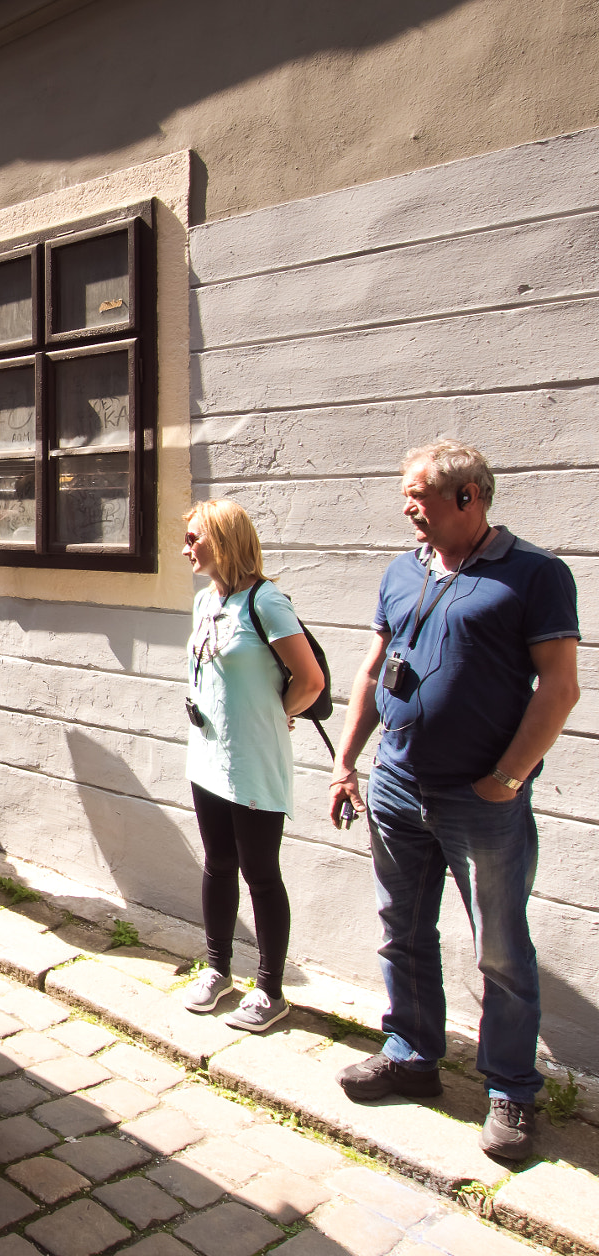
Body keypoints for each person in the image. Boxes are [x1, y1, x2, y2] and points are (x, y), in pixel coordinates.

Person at [329, 440, 581, 1161]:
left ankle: (511, 1089)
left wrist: (507, 777)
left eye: (420, 496)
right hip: (398, 785)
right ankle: (412, 1055)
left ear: (469, 496)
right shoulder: (402, 571)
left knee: (500, 947)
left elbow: (559, 689)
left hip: (482, 800)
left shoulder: (535, 575)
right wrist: (348, 761)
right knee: (401, 928)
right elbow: (375, 669)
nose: (408, 508)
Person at [174, 500, 324, 1033]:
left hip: (254, 761)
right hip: (209, 756)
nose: (186, 548)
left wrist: (275, 715)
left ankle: (270, 989)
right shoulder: (205, 602)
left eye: (195, 538)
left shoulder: (267, 602)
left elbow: (310, 681)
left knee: (261, 873)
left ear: (223, 539)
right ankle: (217, 970)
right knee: (217, 864)